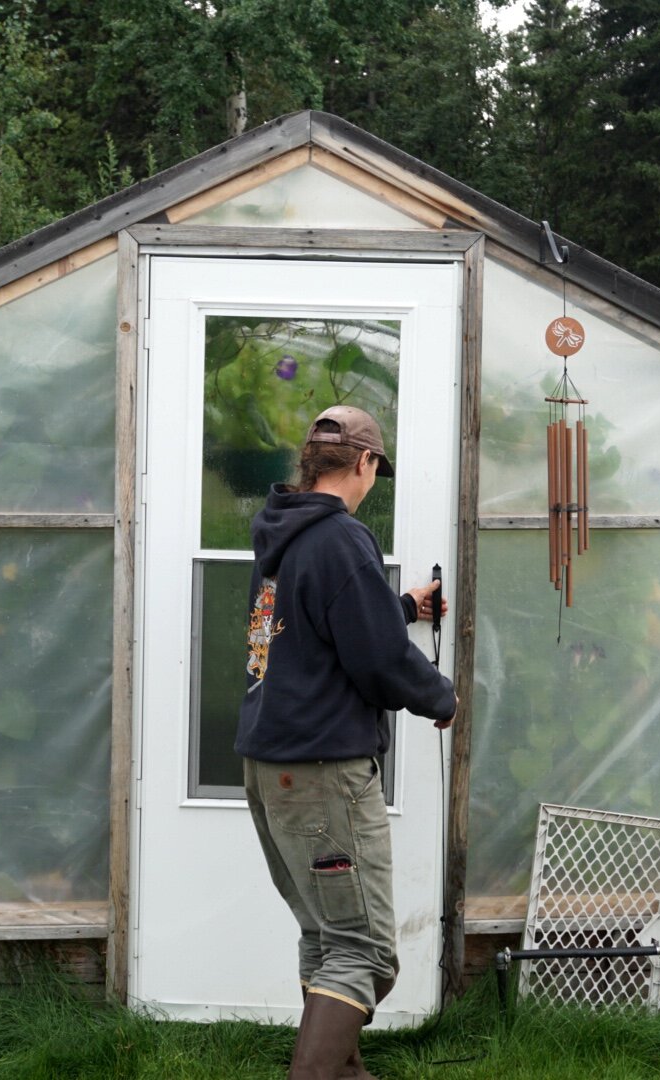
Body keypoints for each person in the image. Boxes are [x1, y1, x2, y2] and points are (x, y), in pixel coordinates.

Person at [235, 404, 456, 1080]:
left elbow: (311, 626)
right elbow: (380, 661)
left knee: (327, 938)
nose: (372, 481)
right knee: (363, 951)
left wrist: (403, 605)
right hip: (324, 773)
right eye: (374, 471)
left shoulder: (283, 533)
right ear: (363, 463)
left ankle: (346, 1071)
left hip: (269, 767)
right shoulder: (341, 538)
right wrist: (441, 700)